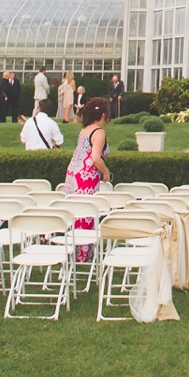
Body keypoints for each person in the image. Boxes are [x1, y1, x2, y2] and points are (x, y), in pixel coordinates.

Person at [64, 96, 112, 262]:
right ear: (104, 114)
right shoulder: (98, 132)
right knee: (86, 213)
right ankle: (82, 255)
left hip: (73, 173)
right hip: (86, 175)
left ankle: (73, 250)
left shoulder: (84, 129)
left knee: (75, 212)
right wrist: (106, 173)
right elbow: (96, 158)